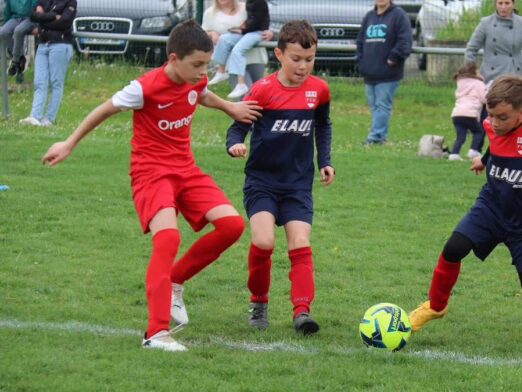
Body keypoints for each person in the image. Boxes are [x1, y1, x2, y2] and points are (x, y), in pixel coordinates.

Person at [41, 20, 263, 351]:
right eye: (197, 64)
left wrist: (231, 107)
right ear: (173, 59)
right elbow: (104, 110)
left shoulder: (195, 77)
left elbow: (200, 93)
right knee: (168, 237)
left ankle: (174, 280)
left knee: (231, 226)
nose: (203, 71)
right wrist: (69, 142)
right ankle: (156, 332)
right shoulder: (144, 87)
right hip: (151, 172)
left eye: (206, 63)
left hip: (185, 169)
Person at [408, 74, 522, 347]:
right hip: (490, 208)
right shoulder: (492, 125)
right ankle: (436, 305)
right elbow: (496, 142)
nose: (494, 123)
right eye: (491, 115)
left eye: (503, 117)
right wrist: (485, 160)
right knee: (453, 248)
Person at [226, 19, 334, 335]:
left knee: (300, 244)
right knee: (263, 241)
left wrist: (325, 161)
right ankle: (259, 304)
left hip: (298, 185)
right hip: (262, 182)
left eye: (309, 59)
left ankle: (302, 312)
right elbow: (238, 124)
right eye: (296, 59)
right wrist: (234, 142)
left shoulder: (319, 90)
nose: (303, 66)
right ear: (279, 54)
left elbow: (323, 126)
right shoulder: (262, 90)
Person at [356, 0, 412, 145]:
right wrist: (361, 62)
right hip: (369, 71)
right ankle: (379, 136)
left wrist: (394, 57)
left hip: (388, 73)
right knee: (374, 106)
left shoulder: (399, 15)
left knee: (382, 105)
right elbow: (360, 41)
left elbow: (405, 40)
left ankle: (375, 136)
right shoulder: (369, 16)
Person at [18, 0, 75, 126]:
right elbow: (33, 15)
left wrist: (43, 21)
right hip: (43, 44)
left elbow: (65, 22)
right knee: (39, 82)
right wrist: (54, 16)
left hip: (60, 45)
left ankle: (49, 118)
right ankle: (35, 116)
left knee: (56, 83)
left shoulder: (70, 2)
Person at [464, 0, 522, 87]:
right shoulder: (485, 23)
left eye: (507, 3)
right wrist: (472, 71)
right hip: (490, 77)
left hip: (516, 76)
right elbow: (471, 49)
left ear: (513, 4)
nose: (503, 7)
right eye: (500, 3)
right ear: (495, 4)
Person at [201, 0, 271, 92]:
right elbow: (203, 33)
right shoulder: (210, 13)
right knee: (245, 95)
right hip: (231, 62)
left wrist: (269, 33)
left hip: (255, 58)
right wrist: (211, 33)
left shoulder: (246, 7)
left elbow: (259, 24)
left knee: (259, 93)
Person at [449, 62, 486, 161]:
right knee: (478, 132)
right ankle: (473, 151)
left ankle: (454, 154)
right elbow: (483, 98)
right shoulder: (478, 83)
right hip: (470, 113)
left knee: (460, 137)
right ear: (474, 72)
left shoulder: (460, 82)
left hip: (456, 114)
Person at [0, 0, 35, 78]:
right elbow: (7, 11)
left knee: (18, 30)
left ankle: (15, 61)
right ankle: (21, 57)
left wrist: (38, 25)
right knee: (2, 32)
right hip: (15, 18)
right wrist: (4, 24)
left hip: (29, 19)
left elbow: (36, 9)